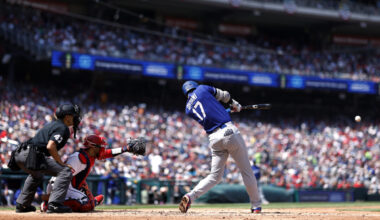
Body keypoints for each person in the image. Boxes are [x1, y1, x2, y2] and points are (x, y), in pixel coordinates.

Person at [179, 81, 262, 214]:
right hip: (228, 131)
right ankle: (256, 205)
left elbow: (210, 113)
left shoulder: (188, 108)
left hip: (214, 138)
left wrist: (224, 112)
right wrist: (235, 105)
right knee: (246, 171)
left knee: (215, 176)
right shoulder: (201, 89)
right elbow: (225, 95)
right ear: (194, 85)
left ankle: (191, 196)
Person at [40, 134, 146, 212]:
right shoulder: (79, 158)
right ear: (93, 147)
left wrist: (125, 149)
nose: (103, 148)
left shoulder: (90, 155)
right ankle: (49, 204)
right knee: (87, 205)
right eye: (100, 146)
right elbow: (62, 176)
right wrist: (55, 196)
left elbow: (108, 153)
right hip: (60, 185)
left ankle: (89, 201)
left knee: (87, 196)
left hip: (69, 185)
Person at [11, 103, 81, 213]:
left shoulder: (52, 124)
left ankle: (22, 205)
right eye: (73, 115)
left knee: (36, 175)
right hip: (31, 155)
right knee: (65, 171)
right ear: (67, 117)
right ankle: (55, 204)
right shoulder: (63, 128)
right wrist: (61, 163)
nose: (75, 118)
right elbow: (50, 146)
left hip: (20, 154)